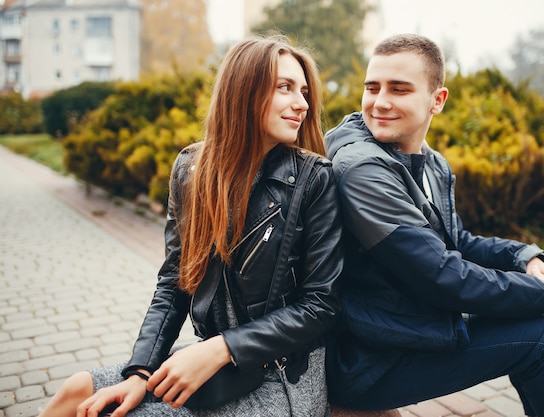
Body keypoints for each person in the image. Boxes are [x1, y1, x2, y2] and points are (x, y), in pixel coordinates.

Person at [38, 34, 343, 417]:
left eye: (303, 91)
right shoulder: (191, 171)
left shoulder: (313, 179)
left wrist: (220, 348)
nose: (302, 103)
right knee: (75, 391)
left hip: (282, 375)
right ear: (243, 92)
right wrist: (140, 370)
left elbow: (320, 305)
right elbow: (174, 283)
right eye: (285, 88)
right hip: (215, 362)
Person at [324, 33, 544, 417]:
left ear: (437, 100)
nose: (380, 102)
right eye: (373, 87)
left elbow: (456, 243)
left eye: (399, 89)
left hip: (402, 329)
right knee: (541, 339)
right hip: (366, 360)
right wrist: (540, 295)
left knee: (537, 334)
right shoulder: (362, 171)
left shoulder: (429, 163)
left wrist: (523, 257)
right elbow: (439, 276)